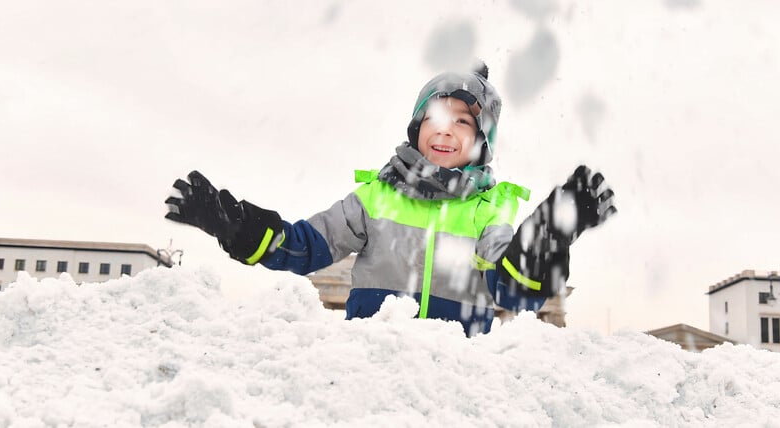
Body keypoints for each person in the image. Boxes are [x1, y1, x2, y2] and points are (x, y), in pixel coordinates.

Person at [165, 64, 616, 336]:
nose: (445, 129)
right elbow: (305, 247)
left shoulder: (487, 211)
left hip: (455, 384)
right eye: (434, 117)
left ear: (481, 144)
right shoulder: (375, 199)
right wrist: (242, 230)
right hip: (373, 373)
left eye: (462, 122)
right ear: (416, 128)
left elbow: (512, 288)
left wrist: (548, 236)